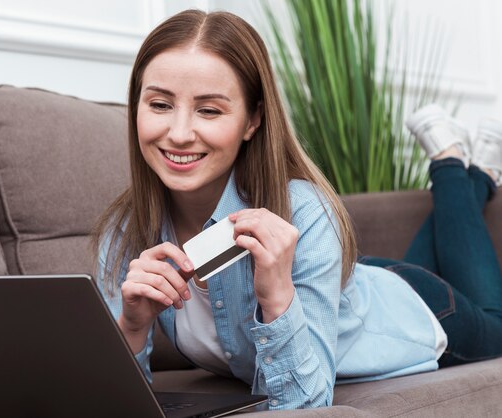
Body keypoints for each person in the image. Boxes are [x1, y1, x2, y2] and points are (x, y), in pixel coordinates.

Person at [92, 9, 502, 410]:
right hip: (351, 283)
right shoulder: (124, 232)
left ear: (252, 120)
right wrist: (132, 325)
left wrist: (277, 297)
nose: (178, 134)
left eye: (210, 110)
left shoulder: (304, 210)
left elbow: (306, 405)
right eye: (160, 105)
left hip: (414, 310)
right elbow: (110, 403)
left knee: (496, 323)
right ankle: (479, 174)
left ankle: (452, 163)